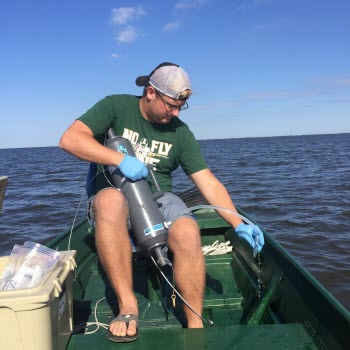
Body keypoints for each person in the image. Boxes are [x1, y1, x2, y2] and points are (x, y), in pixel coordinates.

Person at [59, 62, 264, 343]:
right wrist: (119, 159)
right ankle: (128, 306)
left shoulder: (180, 132)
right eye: (171, 105)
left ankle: (195, 322)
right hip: (115, 198)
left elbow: (207, 182)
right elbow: (70, 139)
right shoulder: (115, 106)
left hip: (159, 199)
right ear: (150, 93)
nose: (176, 112)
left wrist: (237, 223)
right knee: (108, 201)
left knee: (187, 230)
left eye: (182, 106)